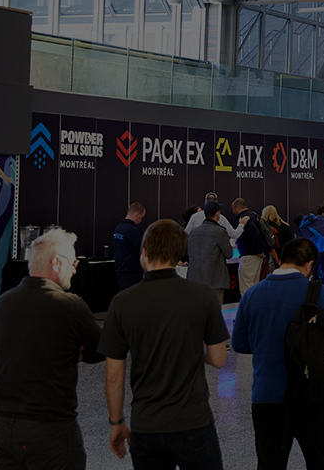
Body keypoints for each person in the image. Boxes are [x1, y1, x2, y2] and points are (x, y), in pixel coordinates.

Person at [100, 219, 230, 469]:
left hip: (146, 425)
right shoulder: (203, 294)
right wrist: (191, 344)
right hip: (194, 423)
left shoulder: (122, 302)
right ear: (180, 254)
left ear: (144, 252)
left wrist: (117, 423)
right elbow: (218, 358)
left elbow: (114, 375)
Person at [0, 230, 103, 470]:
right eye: (73, 262)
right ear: (56, 262)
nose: (75, 268)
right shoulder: (70, 306)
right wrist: (71, 350)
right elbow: (101, 349)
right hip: (48, 431)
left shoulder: (4, 302)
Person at [231, 236, 324, 470]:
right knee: (320, 462)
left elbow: (240, 343)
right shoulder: (316, 292)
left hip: (266, 396)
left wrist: (266, 345)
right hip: (310, 396)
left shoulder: (252, 294)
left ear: (282, 260)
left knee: (270, 464)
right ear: (310, 264)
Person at [187, 201, 233, 304]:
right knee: (214, 312)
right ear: (217, 213)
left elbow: (190, 252)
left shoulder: (193, 232)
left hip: (195, 279)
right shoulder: (220, 231)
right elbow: (229, 254)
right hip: (215, 280)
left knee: (198, 311)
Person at [233, 198, 272, 294]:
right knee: (254, 283)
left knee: (246, 284)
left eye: (233, 209)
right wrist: (259, 251)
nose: (233, 212)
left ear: (237, 208)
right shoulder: (253, 215)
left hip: (249, 255)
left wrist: (259, 250)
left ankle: (248, 308)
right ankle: (255, 307)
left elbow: (255, 232)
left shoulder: (245, 218)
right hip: (257, 256)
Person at [113, 203, 146, 290]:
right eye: (141, 217)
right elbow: (144, 249)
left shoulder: (117, 230)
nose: (141, 220)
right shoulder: (133, 231)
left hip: (121, 271)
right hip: (132, 273)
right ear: (138, 214)